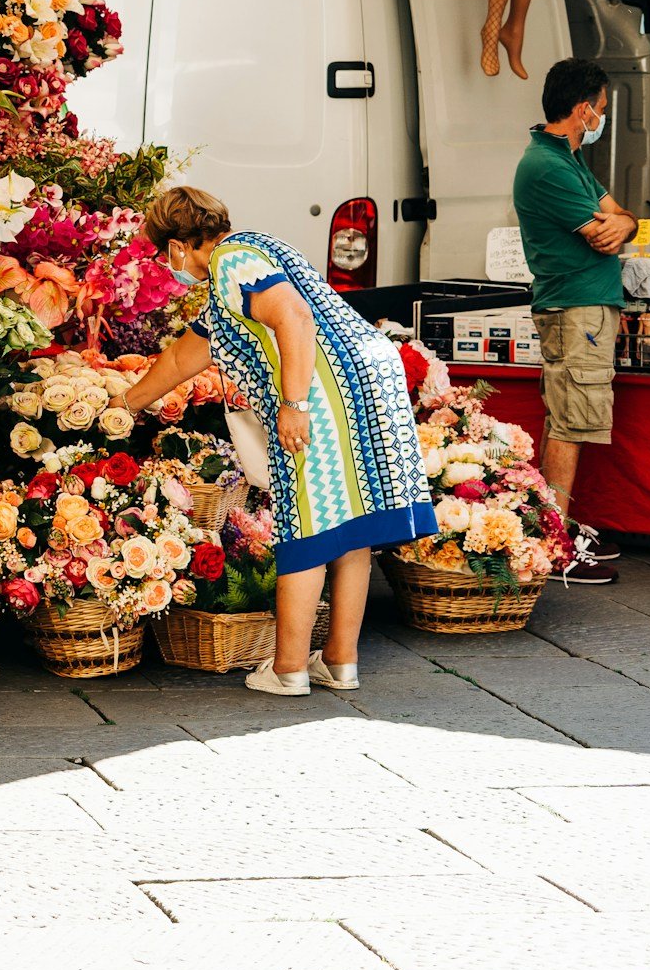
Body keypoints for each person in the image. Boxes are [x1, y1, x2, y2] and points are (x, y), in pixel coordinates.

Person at [121, 187, 438, 696]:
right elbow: (188, 355)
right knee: (350, 527)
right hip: (368, 383)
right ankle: (339, 662)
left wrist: (294, 404)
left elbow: (294, 317)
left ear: (179, 244)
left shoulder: (232, 261)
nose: (167, 265)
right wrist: (129, 402)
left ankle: (288, 668)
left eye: (164, 253)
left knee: (307, 526)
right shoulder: (254, 251)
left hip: (326, 396)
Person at [512, 56, 633, 586]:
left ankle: (556, 528)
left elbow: (622, 218)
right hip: (574, 306)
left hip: (585, 304)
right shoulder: (549, 166)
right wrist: (621, 225)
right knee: (570, 421)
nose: (602, 117)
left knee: (569, 415)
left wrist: (624, 223)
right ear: (583, 110)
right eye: (601, 109)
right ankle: (555, 545)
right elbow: (604, 231)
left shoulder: (568, 157)